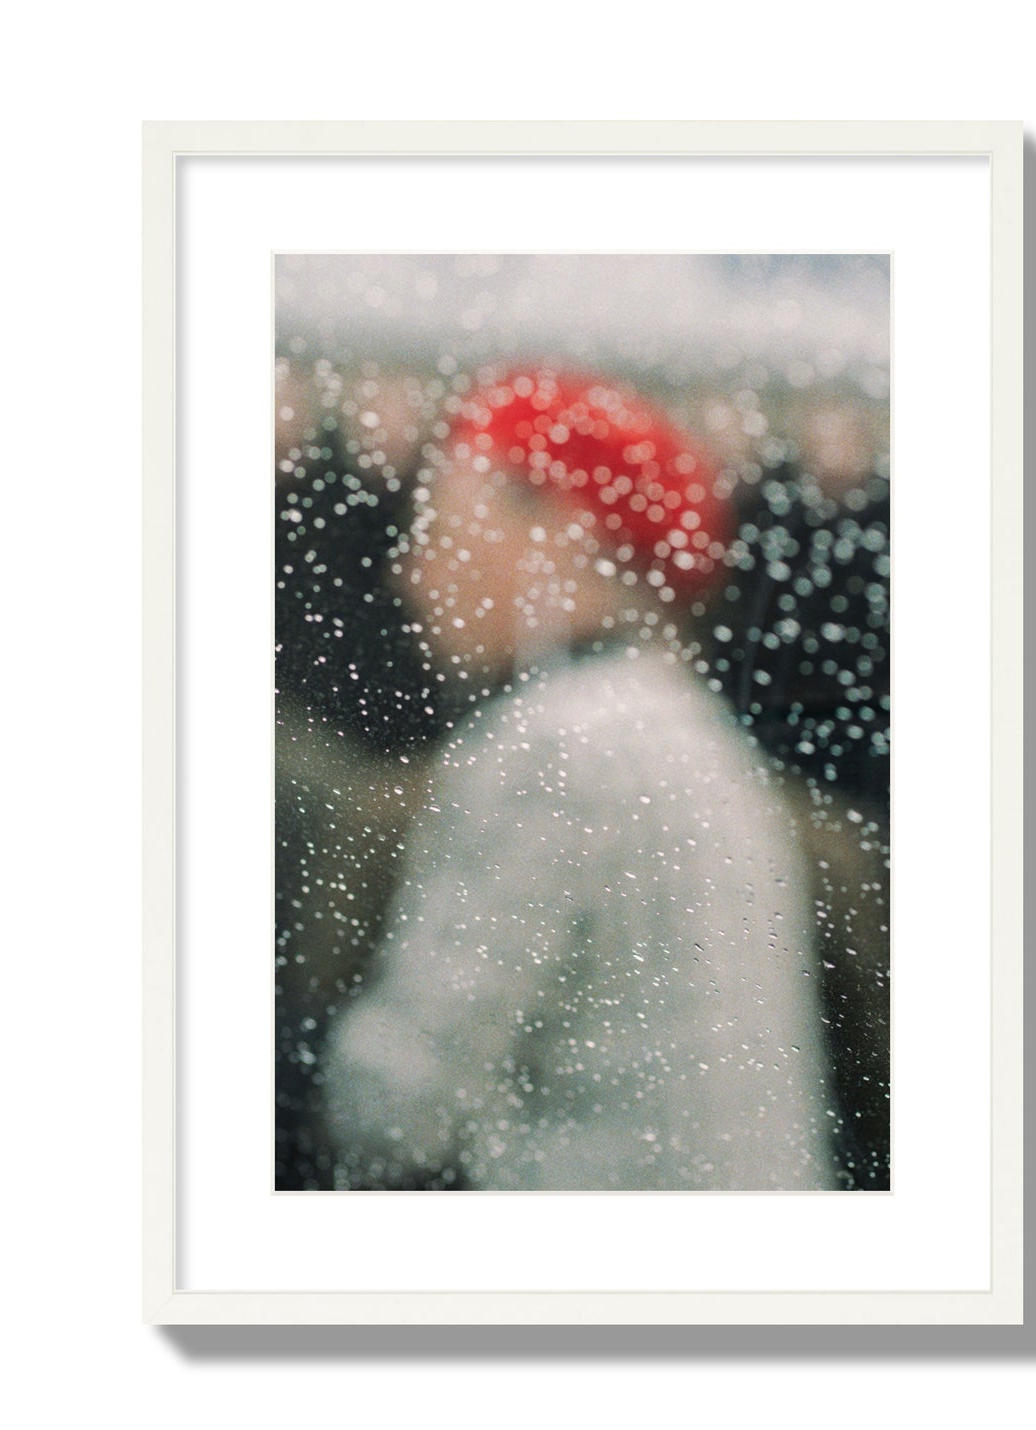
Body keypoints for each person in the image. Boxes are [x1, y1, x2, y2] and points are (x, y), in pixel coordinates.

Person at [322, 369, 832, 1190]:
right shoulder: (682, 729)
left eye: (438, 528)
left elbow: (399, 1107)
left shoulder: (558, 746)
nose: (409, 572)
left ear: (556, 533)